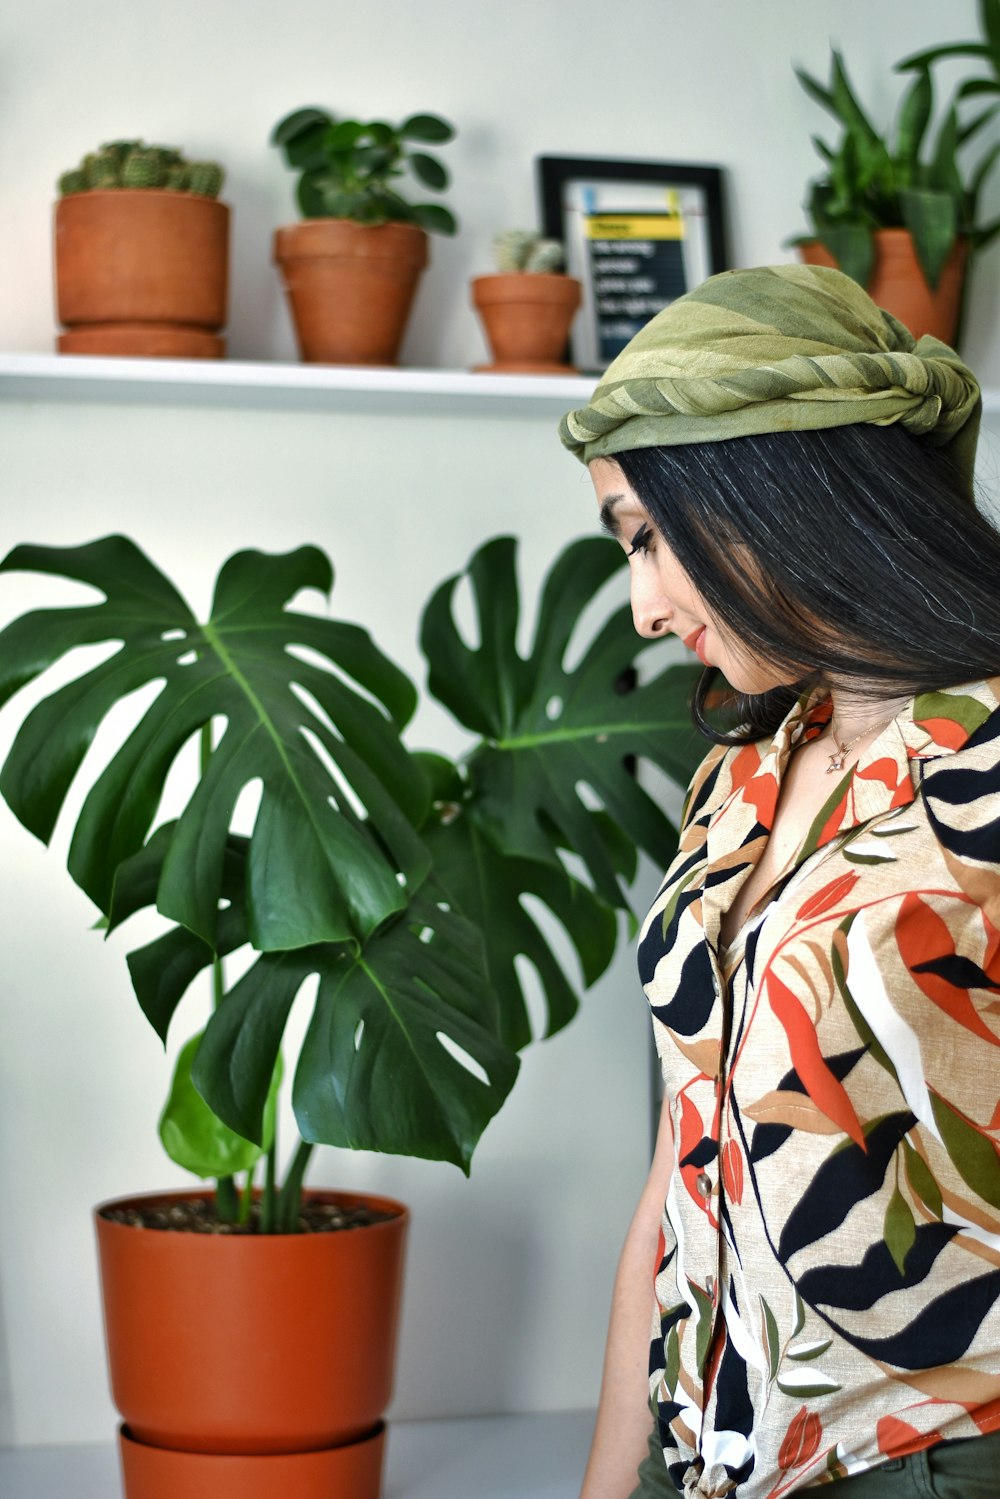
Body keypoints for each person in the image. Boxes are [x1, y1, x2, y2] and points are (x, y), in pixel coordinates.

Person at [558, 263, 1000, 1498]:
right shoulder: (744, 774)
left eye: (651, 539)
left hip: (929, 1454)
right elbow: (673, 1183)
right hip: (706, 1438)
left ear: (778, 494)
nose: (644, 605)